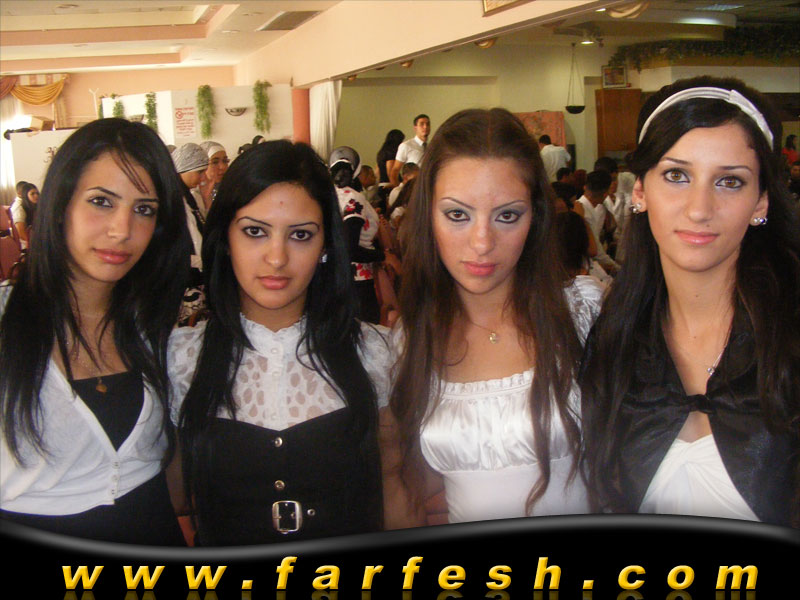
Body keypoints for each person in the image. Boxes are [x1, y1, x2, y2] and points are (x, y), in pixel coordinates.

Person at [580, 76, 800, 527]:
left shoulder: (790, 339)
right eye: (676, 176)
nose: (700, 208)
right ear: (640, 192)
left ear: (761, 201)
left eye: (730, 181)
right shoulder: (614, 340)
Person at [384, 108, 603, 527]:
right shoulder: (412, 339)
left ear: (535, 217)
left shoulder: (582, 313)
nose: (482, 242)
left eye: (507, 215)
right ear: (429, 215)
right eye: (458, 215)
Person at [169, 140, 392, 545]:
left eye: (300, 235)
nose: (277, 258)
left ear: (325, 246)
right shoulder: (182, 358)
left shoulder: (376, 353)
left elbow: (398, 493)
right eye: (255, 232)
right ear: (225, 239)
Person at [0, 118, 191, 544]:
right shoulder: (6, 321)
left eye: (144, 209)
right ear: (60, 204)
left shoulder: (155, 328)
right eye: (101, 201)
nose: (122, 230)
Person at [329, 146, 387, 325]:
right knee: (365, 330)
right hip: (358, 281)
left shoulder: (328, 197)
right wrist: (382, 256)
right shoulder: (354, 198)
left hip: (333, 275)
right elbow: (351, 249)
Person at [171, 143, 209, 325]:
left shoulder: (187, 195)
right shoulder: (174, 200)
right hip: (184, 275)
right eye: (199, 172)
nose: (203, 178)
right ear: (184, 169)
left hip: (192, 272)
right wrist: (198, 260)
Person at [390, 114, 430, 187]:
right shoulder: (406, 146)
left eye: (428, 124)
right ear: (415, 128)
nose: (425, 127)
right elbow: (395, 170)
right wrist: (399, 189)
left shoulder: (430, 147)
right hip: (411, 186)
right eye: (422, 124)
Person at [198, 141, 229, 213]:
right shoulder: (194, 194)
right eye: (215, 162)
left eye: (225, 161)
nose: (222, 167)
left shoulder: (231, 187)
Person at [9, 182, 39, 249]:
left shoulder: (34, 206)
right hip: (26, 244)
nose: (36, 196)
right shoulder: (19, 207)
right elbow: (21, 233)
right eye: (32, 194)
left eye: (37, 193)